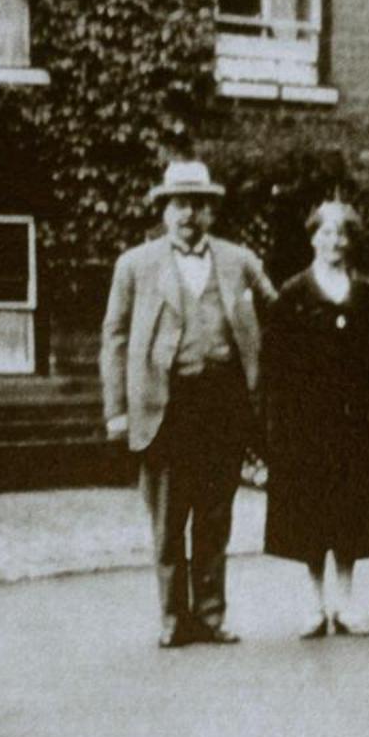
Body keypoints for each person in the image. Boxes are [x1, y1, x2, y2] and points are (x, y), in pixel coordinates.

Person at [101, 159, 276, 648]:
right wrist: (117, 409)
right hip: (165, 407)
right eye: (180, 204)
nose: (189, 215)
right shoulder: (135, 265)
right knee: (168, 518)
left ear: (211, 211)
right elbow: (113, 338)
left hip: (224, 404)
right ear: (163, 209)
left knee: (215, 515)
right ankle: (175, 618)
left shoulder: (240, 261)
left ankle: (213, 615)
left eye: (198, 205)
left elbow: (279, 313)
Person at [262, 201, 369, 638]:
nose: (334, 241)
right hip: (306, 425)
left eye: (342, 234)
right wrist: (278, 427)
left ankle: (347, 602)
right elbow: (274, 367)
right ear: (312, 236)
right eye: (325, 232)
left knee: (351, 513)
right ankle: (315, 604)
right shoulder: (292, 295)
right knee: (311, 514)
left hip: (356, 426)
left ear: (351, 241)